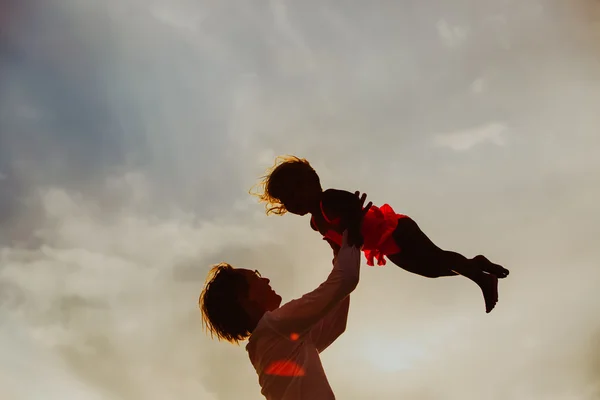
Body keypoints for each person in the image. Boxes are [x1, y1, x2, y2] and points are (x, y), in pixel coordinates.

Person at [252, 155, 510, 314]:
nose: (292, 203)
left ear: (312, 183)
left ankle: (482, 279)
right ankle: (477, 265)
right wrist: (339, 264)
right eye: (286, 201)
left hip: (394, 228)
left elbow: (353, 206)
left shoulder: (328, 199)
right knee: (431, 270)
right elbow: (337, 245)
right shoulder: (316, 223)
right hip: (385, 245)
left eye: (294, 194)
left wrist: (353, 226)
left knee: (437, 258)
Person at [199, 193, 371, 400]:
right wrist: (351, 230)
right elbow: (345, 280)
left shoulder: (268, 342)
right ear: (243, 298)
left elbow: (334, 323)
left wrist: (340, 252)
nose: (266, 280)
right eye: (256, 276)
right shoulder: (275, 325)